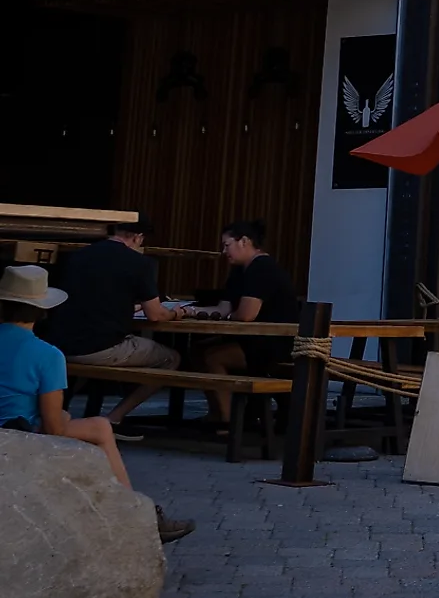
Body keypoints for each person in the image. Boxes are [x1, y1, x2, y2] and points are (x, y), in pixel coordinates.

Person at [1, 265, 191, 542]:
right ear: (43, 310)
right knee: (101, 427)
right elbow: (53, 426)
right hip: (18, 432)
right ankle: (135, 512)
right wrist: (64, 417)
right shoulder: (47, 354)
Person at [40, 221, 182, 433]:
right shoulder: (139, 262)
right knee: (172, 358)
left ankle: (65, 414)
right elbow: (155, 314)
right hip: (100, 348)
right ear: (138, 237)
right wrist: (177, 312)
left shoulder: (76, 257)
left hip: (59, 344)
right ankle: (114, 418)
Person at [195, 221, 299, 435]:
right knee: (196, 351)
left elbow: (245, 315)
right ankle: (217, 412)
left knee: (213, 357)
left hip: (274, 346)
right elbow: (224, 308)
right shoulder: (239, 271)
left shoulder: (262, 268)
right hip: (251, 341)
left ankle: (229, 421)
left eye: (227, 245)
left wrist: (228, 316)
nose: (224, 251)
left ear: (244, 242)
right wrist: (191, 311)